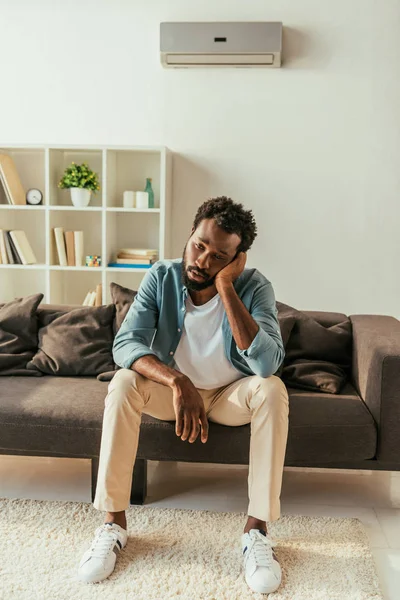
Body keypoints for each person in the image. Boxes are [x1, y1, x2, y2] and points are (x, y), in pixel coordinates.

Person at [78, 196, 289, 595]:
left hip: (230, 395)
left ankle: (257, 532)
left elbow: (266, 364)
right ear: (190, 234)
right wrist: (178, 381)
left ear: (235, 259)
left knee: (272, 390)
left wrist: (226, 287)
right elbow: (126, 344)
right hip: (173, 396)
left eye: (219, 256)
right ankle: (112, 524)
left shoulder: (255, 286)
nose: (203, 260)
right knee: (123, 381)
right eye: (199, 245)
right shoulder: (162, 277)